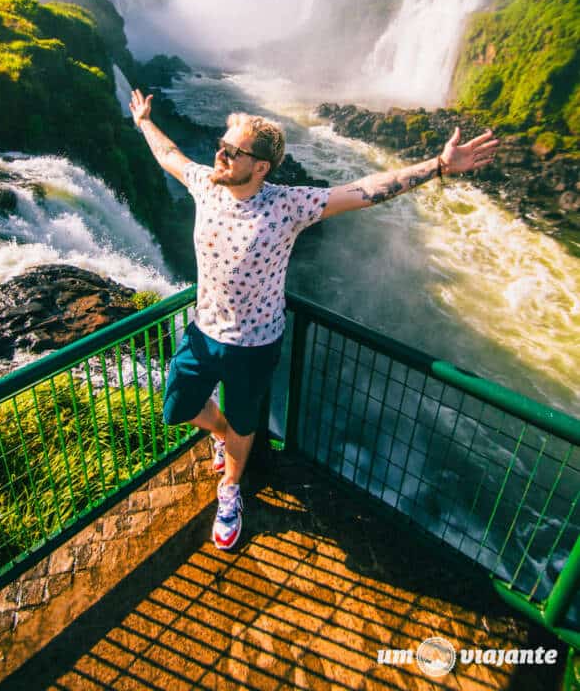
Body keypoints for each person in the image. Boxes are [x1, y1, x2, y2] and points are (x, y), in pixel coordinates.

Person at [129, 88, 498, 550]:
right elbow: (170, 155)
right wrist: (144, 121)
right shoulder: (206, 183)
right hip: (203, 333)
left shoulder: (288, 206)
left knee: (246, 425)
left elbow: (364, 192)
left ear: (260, 167)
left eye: (231, 150)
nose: (219, 153)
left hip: (256, 344)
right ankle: (223, 436)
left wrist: (438, 167)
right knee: (178, 407)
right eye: (222, 145)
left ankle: (231, 490)